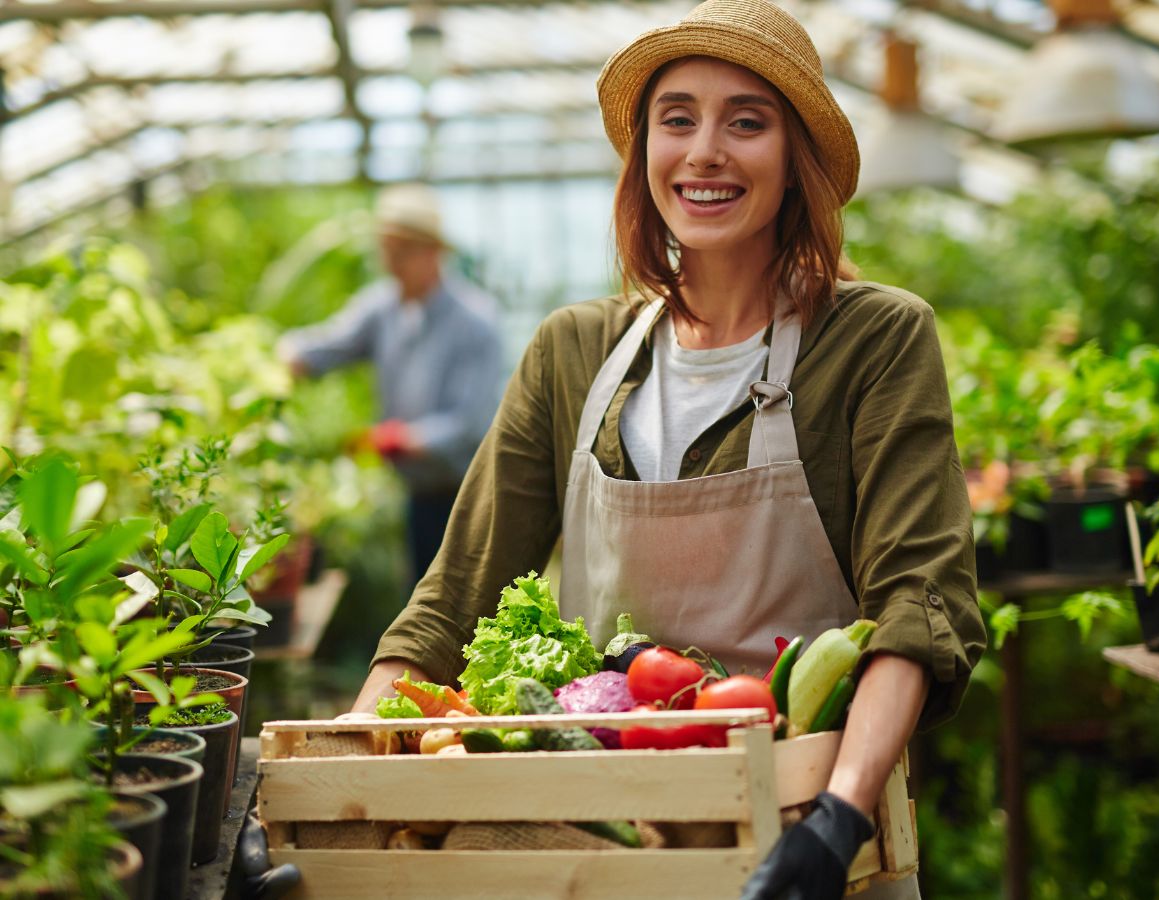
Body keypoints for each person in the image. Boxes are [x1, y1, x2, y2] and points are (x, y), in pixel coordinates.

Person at [349, 2, 985, 897]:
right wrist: (337, 778)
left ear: (795, 161)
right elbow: (452, 601)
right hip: (596, 841)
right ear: (643, 150)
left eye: (747, 122)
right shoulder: (571, 353)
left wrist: (840, 817)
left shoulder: (873, 340)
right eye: (676, 118)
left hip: (806, 832)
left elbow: (919, 602)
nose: (705, 151)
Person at [279, 183, 502, 582]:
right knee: (421, 591)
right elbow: (332, 345)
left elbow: (471, 422)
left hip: (469, 495)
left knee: (466, 600)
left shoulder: (476, 321)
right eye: (386, 250)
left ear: (434, 252)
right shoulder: (382, 308)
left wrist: (403, 439)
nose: (392, 263)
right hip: (418, 491)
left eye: (403, 251)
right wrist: (284, 355)